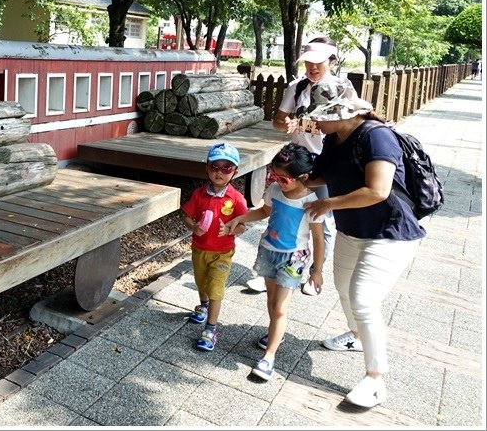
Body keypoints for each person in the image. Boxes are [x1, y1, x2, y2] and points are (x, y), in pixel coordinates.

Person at [301, 79, 425, 408]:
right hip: (352, 229)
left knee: (363, 297)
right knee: (343, 286)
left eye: (321, 116)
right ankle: (356, 337)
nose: (316, 123)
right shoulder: (333, 138)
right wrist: (294, 181)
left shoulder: (376, 136)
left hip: (389, 232)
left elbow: (378, 190)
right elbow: (323, 175)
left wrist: (327, 204)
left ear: (341, 112)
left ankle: (375, 379)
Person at [245, 36, 351, 296]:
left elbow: (346, 124)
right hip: (294, 159)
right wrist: (288, 124)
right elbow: (278, 122)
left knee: (319, 218)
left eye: (319, 62)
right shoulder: (297, 86)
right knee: (279, 209)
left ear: (332, 61)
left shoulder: (343, 87)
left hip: (324, 161)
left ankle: (314, 271)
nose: (313, 67)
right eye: (309, 62)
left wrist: (303, 124)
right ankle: (271, 270)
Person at [221, 143, 324, 381]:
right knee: (271, 301)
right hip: (268, 250)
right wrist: (240, 217)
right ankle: (275, 332)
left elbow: (319, 239)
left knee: (279, 308)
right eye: (274, 175)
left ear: (303, 177)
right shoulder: (275, 190)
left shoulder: (311, 202)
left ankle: (269, 357)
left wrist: (317, 271)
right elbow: (264, 212)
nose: (276, 180)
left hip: (293, 258)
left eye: (283, 178)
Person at [181, 142, 249, 352]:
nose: (219, 173)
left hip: (222, 252)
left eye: (226, 168)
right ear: (207, 168)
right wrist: (194, 226)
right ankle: (203, 306)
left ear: (235, 171)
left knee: (216, 288)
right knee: (201, 281)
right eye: (215, 167)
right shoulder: (199, 194)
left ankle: (210, 329)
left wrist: (230, 230)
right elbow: (186, 216)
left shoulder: (236, 198)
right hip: (199, 247)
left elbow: (243, 225)